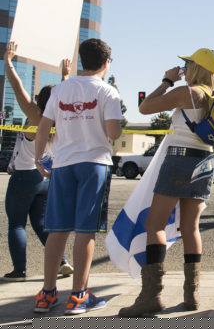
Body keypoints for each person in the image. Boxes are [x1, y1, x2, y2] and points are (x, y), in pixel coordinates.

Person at [118, 48, 214, 317]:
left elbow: (145, 108)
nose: (184, 69)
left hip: (179, 160)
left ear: (197, 68)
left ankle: (151, 296)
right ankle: (191, 294)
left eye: (187, 65)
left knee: (154, 225)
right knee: (190, 227)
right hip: (205, 162)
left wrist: (167, 81)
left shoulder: (188, 92)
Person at [33, 38, 122, 314]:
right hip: (94, 164)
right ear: (106, 63)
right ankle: (78, 296)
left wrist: (38, 158)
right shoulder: (108, 91)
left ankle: (47, 294)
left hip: (63, 164)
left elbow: (43, 126)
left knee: (57, 230)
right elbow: (113, 133)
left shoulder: (60, 89)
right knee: (85, 230)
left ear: (82, 61)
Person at [2, 42, 73, 282]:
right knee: (42, 224)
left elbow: (17, 86)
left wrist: (8, 61)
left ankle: (19, 271)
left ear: (39, 100)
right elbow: (60, 97)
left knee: (16, 224)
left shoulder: (36, 116)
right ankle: (63, 261)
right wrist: (65, 76)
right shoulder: (61, 118)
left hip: (25, 175)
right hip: (46, 179)